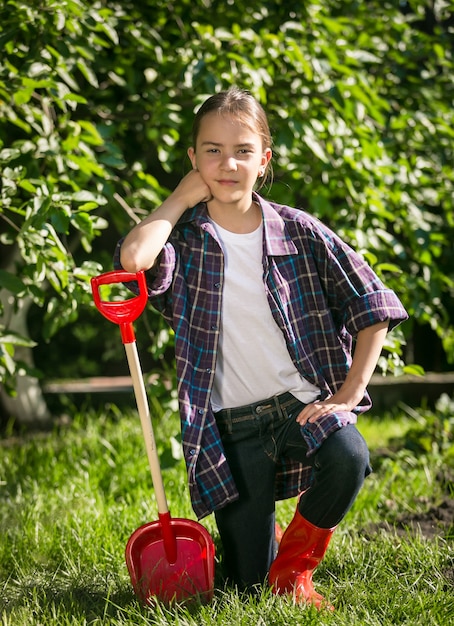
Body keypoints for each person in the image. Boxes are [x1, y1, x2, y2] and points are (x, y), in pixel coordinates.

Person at [115, 86, 408, 609]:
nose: (227, 163)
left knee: (349, 454)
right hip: (233, 428)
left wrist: (347, 393)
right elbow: (134, 258)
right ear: (193, 159)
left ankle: (294, 567)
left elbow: (375, 305)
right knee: (244, 589)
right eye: (212, 150)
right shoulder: (184, 240)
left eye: (243, 151)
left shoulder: (298, 232)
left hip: (299, 408)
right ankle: (260, 551)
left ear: (264, 160)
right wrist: (181, 198)